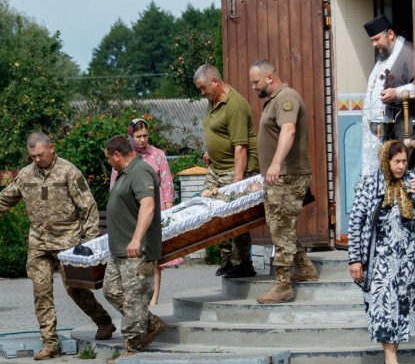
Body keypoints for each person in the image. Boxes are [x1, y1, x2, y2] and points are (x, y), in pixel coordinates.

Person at [0, 132, 116, 358]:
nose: (37, 160)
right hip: (38, 243)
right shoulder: (25, 174)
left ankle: (103, 321)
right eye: (32, 156)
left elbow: (88, 206)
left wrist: (90, 242)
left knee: (75, 290)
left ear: (51, 148)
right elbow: (4, 199)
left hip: (67, 243)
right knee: (41, 292)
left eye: (40, 155)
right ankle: (50, 343)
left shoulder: (69, 171)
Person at [348, 141, 415, 364]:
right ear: (386, 161)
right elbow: (356, 222)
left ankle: (392, 357)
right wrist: (355, 259)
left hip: (408, 261)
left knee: (402, 307)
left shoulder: (412, 182)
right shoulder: (370, 184)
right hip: (380, 259)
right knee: (384, 307)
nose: (401, 166)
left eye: (404, 161)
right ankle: (390, 359)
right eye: (396, 161)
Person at [249, 59, 316, 304]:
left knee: (280, 227)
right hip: (279, 176)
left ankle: (283, 285)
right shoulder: (273, 101)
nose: (254, 87)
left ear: (270, 77)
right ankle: (305, 268)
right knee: (281, 224)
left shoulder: (287, 98)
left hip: (288, 175)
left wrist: (276, 164)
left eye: (256, 82)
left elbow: (289, 131)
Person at [101, 136, 168, 364]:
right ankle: (150, 322)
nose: (109, 162)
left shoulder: (140, 172)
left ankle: (133, 348)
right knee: (111, 291)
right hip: (119, 250)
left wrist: (137, 239)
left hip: (136, 251)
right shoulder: (124, 174)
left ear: (117, 155)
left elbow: (148, 206)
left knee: (134, 297)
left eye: (109, 158)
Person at [194, 65, 261, 279]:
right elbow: (215, 129)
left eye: (204, 88)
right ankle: (227, 259)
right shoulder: (212, 101)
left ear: (215, 81)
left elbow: (240, 147)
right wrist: (210, 149)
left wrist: (238, 183)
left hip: (236, 168)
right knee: (209, 211)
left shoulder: (236, 105)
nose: (202, 93)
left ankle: (243, 264)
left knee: (234, 216)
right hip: (217, 167)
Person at [110, 117, 178, 305]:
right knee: (133, 257)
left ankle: (153, 301)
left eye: (145, 136)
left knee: (154, 258)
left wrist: (169, 213)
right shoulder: (123, 156)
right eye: (138, 136)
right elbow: (115, 186)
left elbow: (166, 184)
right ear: (131, 136)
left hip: (155, 210)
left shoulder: (157, 155)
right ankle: (136, 298)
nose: (142, 140)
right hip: (131, 211)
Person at [361, 14, 415, 176]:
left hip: (403, 127)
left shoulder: (409, 53)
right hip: (383, 130)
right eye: (372, 40)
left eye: (377, 39)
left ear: (390, 34)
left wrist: (397, 93)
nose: (374, 44)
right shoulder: (383, 57)